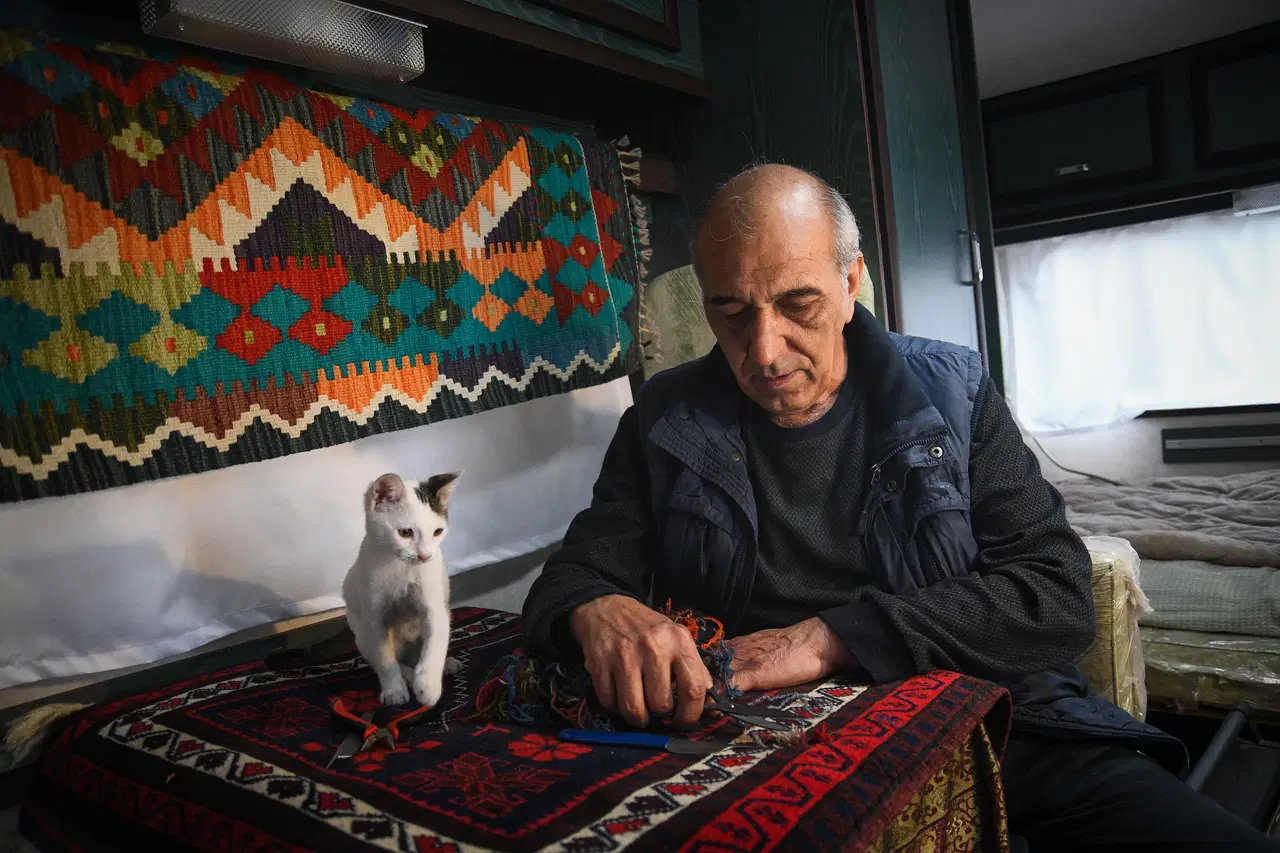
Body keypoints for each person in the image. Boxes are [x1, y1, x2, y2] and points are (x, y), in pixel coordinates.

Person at [522, 164, 1277, 851]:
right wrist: (597, 608)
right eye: (731, 311)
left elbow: (1056, 594)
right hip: (764, 752)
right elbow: (572, 578)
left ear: (851, 281)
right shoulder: (664, 419)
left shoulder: (953, 393)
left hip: (1000, 727)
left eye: (798, 303)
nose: (765, 349)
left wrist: (832, 638)